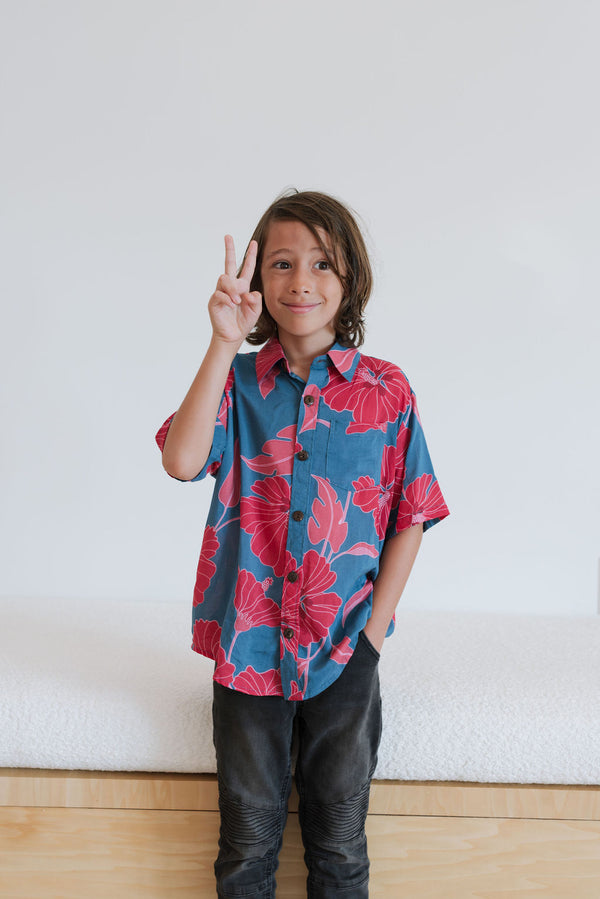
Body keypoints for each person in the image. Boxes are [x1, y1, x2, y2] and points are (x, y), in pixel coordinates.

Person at [156, 189, 449, 898]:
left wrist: (374, 631)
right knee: (247, 847)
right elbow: (182, 459)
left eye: (321, 263)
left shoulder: (386, 390)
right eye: (282, 263)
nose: (301, 281)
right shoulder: (238, 385)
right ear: (259, 283)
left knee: (340, 846)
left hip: (346, 648)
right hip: (248, 648)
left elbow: (413, 509)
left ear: (349, 278)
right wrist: (224, 340)